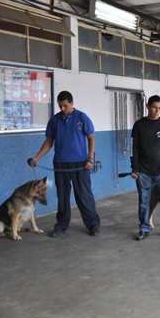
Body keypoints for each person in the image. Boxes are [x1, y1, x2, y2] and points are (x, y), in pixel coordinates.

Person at [28, 91, 101, 236]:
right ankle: (61, 225)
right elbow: (49, 142)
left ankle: (93, 224)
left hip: (80, 164)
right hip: (60, 164)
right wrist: (36, 158)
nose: (62, 109)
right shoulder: (54, 120)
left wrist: (90, 159)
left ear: (72, 103)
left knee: (84, 195)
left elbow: (91, 138)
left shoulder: (82, 117)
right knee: (63, 196)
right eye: (60, 106)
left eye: (65, 106)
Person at [130, 95, 160, 241]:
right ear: (147, 106)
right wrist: (135, 169)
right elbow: (134, 149)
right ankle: (144, 228)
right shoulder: (139, 125)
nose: (157, 111)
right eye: (154, 107)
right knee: (144, 201)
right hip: (143, 172)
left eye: (159, 108)